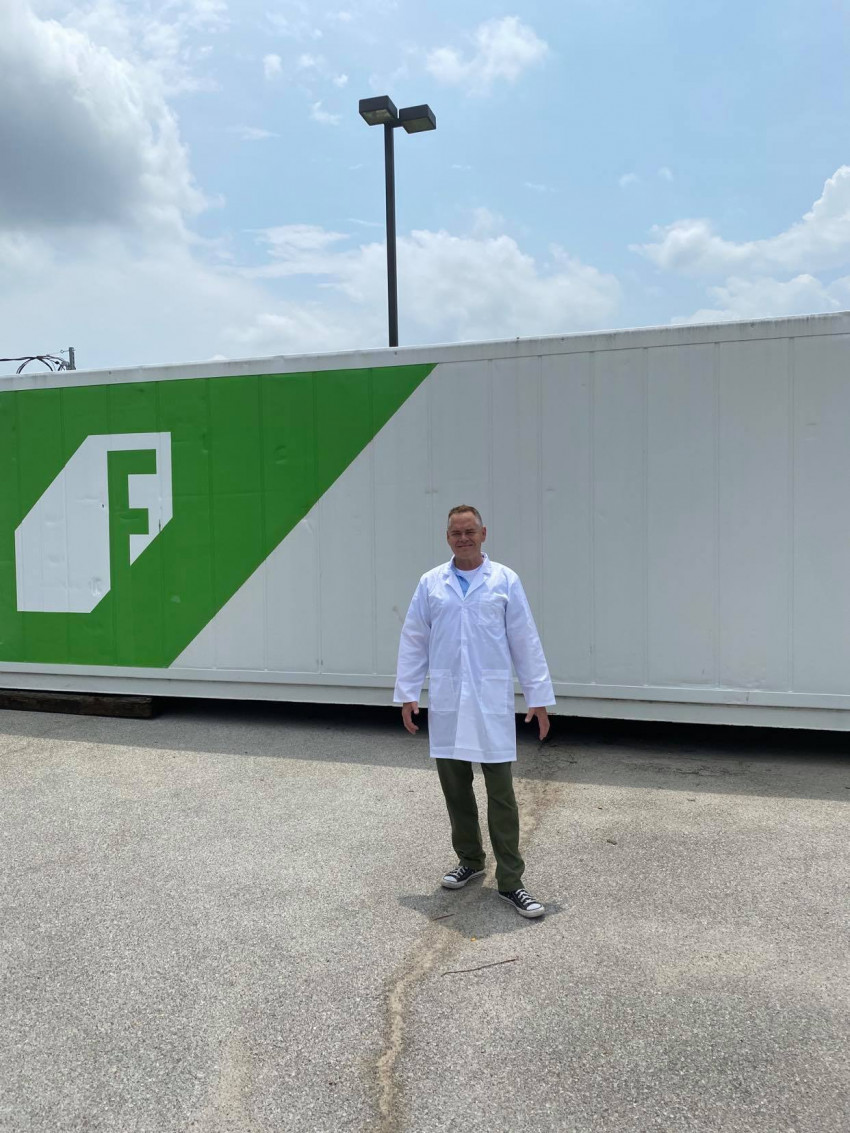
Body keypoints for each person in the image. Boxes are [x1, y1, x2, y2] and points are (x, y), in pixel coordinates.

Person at [393, 505, 555, 918]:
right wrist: (408, 693)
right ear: (447, 537)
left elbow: (525, 638)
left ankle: (511, 881)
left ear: (484, 533)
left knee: (501, 793)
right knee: (456, 787)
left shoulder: (504, 580)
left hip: (490, 703)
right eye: (455, 533)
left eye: (469, 531)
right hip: (448, 701)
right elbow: (414, 638)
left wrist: (538, 697)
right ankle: (469, 860)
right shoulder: (432, 583)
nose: (462, 538)